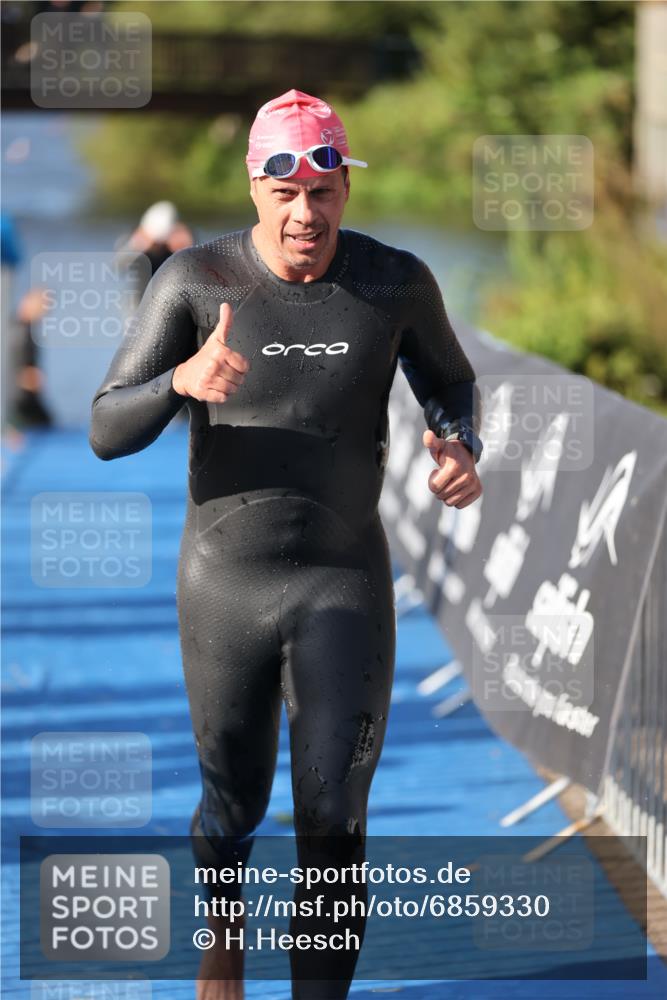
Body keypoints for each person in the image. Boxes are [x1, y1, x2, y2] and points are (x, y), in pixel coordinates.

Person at [89, 88, 483, 1000]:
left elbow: (450, 382)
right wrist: (180, 381)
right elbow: (106, 428)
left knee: (334, 817)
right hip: (225, 584)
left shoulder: (393, 282)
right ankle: (223, 934)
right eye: (285, 193)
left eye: (323, 191)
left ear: (346, 187)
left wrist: (460, 443)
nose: (306, 213)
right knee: (233, 803)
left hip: (343, 581)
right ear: (254, 189)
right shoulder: (194, 281)